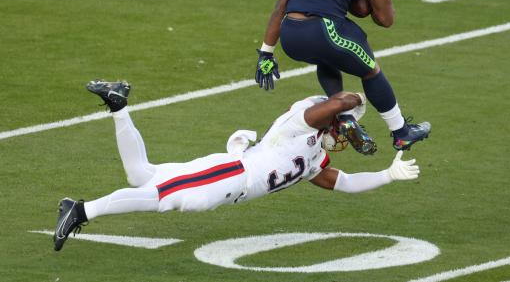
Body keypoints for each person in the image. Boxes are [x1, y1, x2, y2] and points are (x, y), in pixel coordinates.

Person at [53, 80, 421, 251]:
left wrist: (388, 175)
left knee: (141, 176)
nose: (344, 137)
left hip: (234, 177)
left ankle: (118, 105)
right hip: (235, 173)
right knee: (175, 198)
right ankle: (81, 209)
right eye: (344, 128)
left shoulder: (315, 159)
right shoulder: (300, 123)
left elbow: (345, 183)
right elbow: (337, 101)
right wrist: (353, 103)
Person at [253, 0, 431, 154]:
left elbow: (280, 5)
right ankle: (401, 132)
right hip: (324, 29)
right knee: (370, 70)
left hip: (291, 35)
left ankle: (345, 116)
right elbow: (385, 18)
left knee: (326, 58)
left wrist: (266, 53)